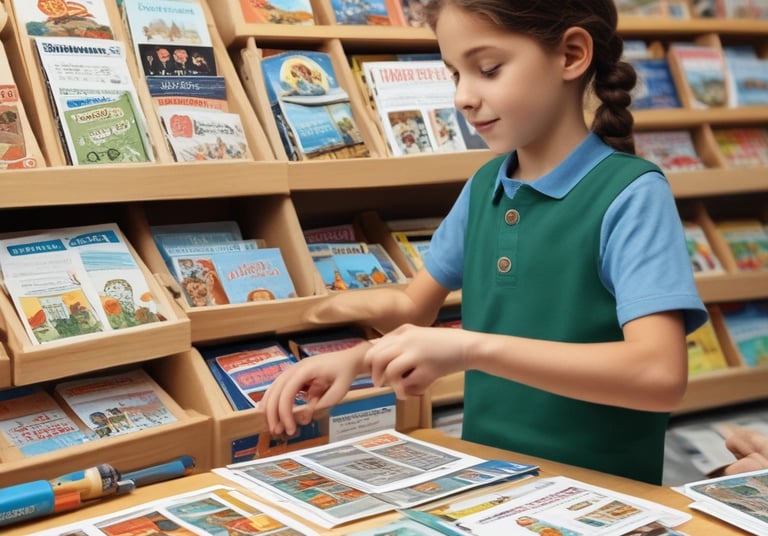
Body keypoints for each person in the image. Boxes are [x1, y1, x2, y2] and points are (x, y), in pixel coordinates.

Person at [261, 0, 707, 485]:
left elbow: (659, 377)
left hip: (598, 499)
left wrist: (471, 350)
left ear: (572, 55)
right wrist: (353, 360)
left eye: (488, 69)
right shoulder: (484, 186)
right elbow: (413, 307)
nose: (463, 97)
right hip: (487, 486)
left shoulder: (632, 194)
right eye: (455, 74)